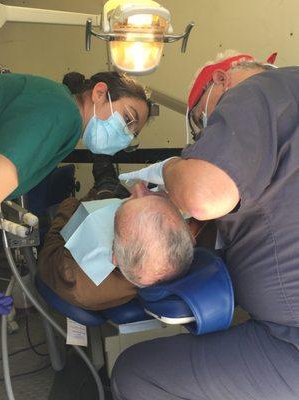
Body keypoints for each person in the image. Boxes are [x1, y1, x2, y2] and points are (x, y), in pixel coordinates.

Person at [111, 50, 299, 400]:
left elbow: (202, 194)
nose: (205, 136)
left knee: (135, 372)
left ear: (219, 82)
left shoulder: (253, 91)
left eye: (200, 119)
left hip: (290, 341)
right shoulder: (284, 104)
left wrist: (170, 168)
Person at [38, 176, 194, 310]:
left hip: (59, 257)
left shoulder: (72, 276)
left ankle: (103, 186)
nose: (138, 187)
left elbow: (54, 241)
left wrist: (69, 205)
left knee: (71, 206)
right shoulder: (184, 246)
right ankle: (105, 185)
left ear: (114, 256)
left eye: (129, 200)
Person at [0, 70, 150, 203]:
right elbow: (3, 173)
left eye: (133, 134)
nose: (126, 136)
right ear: (100, 93)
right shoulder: (63, 111)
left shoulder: (66, 119)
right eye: (128, 119)